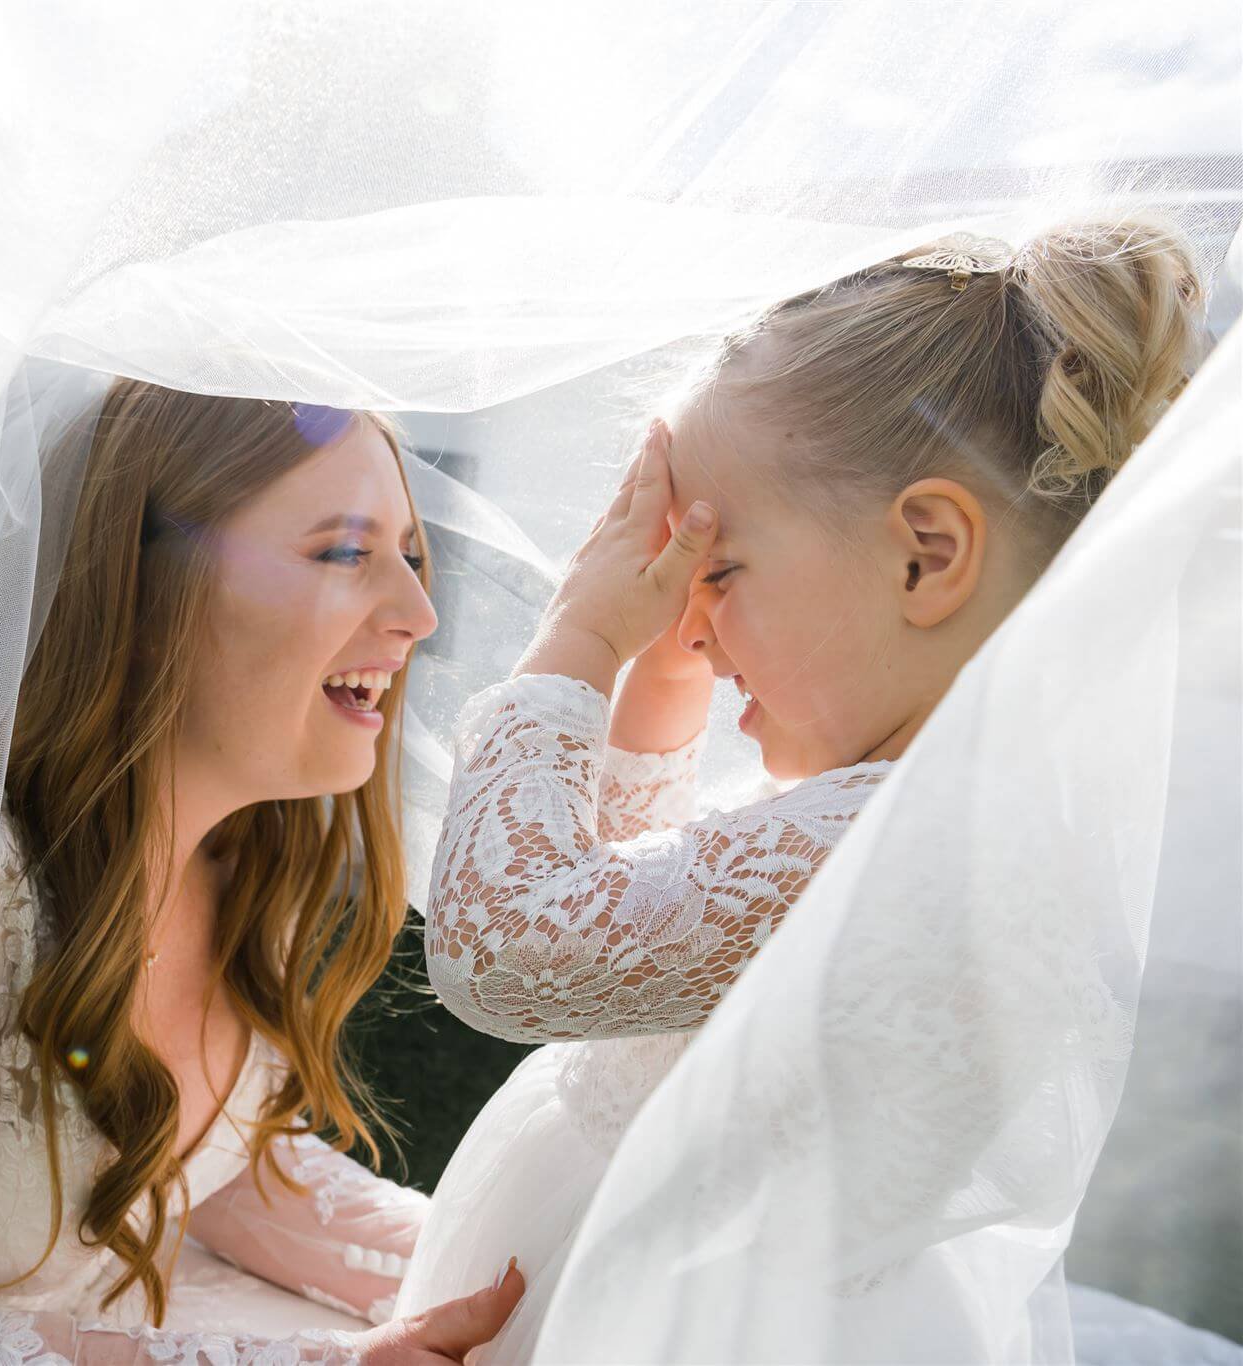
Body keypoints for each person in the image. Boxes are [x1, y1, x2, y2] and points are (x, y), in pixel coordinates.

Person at [423, 218, 1205, 1278]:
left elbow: (506, 952)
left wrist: (577, 640)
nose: (685, 618)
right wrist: (662, 675)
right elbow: (627, 909)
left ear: (924, 558)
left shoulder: (890, 843)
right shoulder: (924, 813)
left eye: (722, 569)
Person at [0, 379, 524, 1365]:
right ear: (141, 586)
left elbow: (198, 1162)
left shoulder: (235, 855)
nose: (416, 614)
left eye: (409, 556)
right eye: (345, 553)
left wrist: (529, 1278)